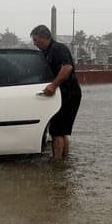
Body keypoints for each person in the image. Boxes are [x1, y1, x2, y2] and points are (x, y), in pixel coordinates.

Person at [30, 25, 81, 160]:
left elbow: (67, 68)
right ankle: (64, 161)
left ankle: (57, 164)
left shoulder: (58, 49)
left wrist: (53, 85)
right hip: (61, 94)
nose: (34, 43)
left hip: (68, 94)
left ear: (44, 37)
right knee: (62, 130)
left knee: (57, 131)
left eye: (36, 40)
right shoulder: (44, 52)